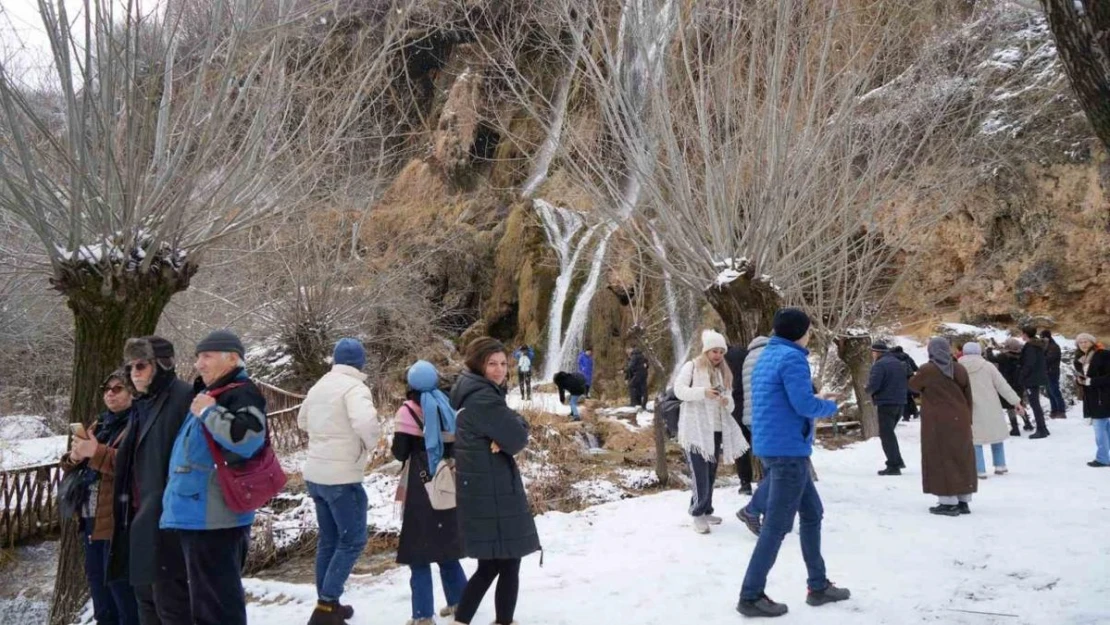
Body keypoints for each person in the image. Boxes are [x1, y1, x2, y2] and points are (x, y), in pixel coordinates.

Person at [738, 309, 847, 618]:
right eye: (809, 330)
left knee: (812, 513)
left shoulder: (767, 356)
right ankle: (750, 595)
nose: (809, 335)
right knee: (776, 526)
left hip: (775, 446)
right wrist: (829, 404)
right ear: (800, 332)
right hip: (788, 451)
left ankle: (818, 585)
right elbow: (802, 404)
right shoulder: (792, 358)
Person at [159, 330, 268, 625]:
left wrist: (209, 413)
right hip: (198, 514)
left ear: (232, 358)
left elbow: (249, 439)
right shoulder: (213, 394)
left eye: (207, 356)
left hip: (216, 517)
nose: (199, 364)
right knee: (206, 605)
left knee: (217, 608)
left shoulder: (240, 391)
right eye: (197, 357)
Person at [450, 337, 541, 625]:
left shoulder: (473, 391)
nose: (500, 370)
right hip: (492, 489)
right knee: (508, 560)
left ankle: (462, 619)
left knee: (490, 564)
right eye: (492, 364)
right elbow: (516, 438)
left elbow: (513, 427)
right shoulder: (484, 398)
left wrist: (511, 428)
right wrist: (512, 432)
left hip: (482, 488)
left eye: (503, 363)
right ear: (478, 364)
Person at [109, 336, 192, 625]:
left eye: (141, 365)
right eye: (130, 366)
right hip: (138, 516)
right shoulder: (143, 403)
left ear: (161, 364)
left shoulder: (184, 397)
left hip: (168, 519)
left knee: (172, 607)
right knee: (146, 604)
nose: (134, 372)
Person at [297, 338, 379, 624]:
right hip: (342, 477)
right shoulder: (355, 388)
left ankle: (329, 604)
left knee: (329, 540)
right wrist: (370, 443)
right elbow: (366, 424)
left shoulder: (319, 385)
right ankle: (326, 605)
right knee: (353, 540)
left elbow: (301, 421)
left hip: (316, 475)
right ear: (360, 362)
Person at [62, 369, 140, 625]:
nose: (110, 393)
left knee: (122, 593)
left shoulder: (139, 422)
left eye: (118, 388)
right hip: (90, 518)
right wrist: (74, 457)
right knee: (100, 593)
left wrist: (95, 452)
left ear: (132, 392)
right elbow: (79, 463)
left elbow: (134, 466)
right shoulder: (102, 423)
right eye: (107, 389)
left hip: (119, 520)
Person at [393, 361, 467, 625]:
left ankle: (423, 616)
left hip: (420, 485)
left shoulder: (408, 411)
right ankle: (461, 603)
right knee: (447, 546)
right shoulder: (447, 404)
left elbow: (400, 452)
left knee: (419, 552)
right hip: (447, 483)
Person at [675, 330, 748, 534]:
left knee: (710, 473)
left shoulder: (723, 372)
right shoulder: (692, 366)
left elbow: (731, 404)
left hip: (715, 429)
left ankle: (706, 509)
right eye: (714, 351)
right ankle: (697, 513)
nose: (717, 355)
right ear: (706, 350)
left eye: (721, 351)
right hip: (695, 428)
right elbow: (678, 390)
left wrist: (726, 401)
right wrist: (703, 393)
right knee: (699, 473)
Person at [909, 338, 976, 517]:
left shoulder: (928, 370)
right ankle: (963, 500)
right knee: (961, 457)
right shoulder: (960, 368)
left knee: (940, 457)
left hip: (938, 421)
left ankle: (948, 502)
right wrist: (968, 417)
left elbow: (913, 386)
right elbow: (968, 394)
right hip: (960, 418)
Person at [958, 343, 1024, 479]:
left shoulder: (957, 367)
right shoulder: (988, 366)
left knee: (974, 438)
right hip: (990, 404)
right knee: (996, 434)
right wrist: (1016, 401)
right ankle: (1000, 465)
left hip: (968, 406)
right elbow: (1002, 385)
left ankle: (980, 469)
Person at [867, 342, 909, 476]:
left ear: (876, 352)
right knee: (890, 433)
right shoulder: (898, 362)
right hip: (901, 401)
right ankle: (897, 460)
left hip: (886, 402)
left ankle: (894, 464)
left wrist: (867, 389)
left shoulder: (880, 365)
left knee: (886, 435)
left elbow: (874, 384)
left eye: (873, 352)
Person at [1074, 333, 1110, 467]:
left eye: (1086, 341)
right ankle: (1105, 456)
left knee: (1100, 428)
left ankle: (1102, 458)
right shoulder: (1080, 358)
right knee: (1105, 427)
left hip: (1103, 396)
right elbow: (1083, 378)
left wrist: (1091, 381)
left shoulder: (1103, 355)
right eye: (1080, 342)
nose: (1083, 344)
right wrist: (1080, 381)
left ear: (1092, 342)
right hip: (1092, 397)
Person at [987, 338, 1034, 435]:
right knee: (1018, 404)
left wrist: (989, 348)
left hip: (1007, 384)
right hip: (1019, 384)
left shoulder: (1003, 357)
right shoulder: (1021, 356)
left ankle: (1015, 428)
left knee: (1009, 407)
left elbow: (991, 358)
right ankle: (1027, 423)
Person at [724, 343, 753, 495]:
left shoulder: (720, 359)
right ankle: (768, 478)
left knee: (740, 446)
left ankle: (745, 483)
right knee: (758, 442)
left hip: (734, 405)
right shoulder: (744, 352)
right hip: (751, 401)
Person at [1018, 326, 1051, 439]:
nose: (1021, 336)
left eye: (1022, 334)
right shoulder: (1036, 345)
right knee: (1036, 404)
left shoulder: (1030, 346)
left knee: (1035, 404)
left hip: (1031, 379)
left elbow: (1029, 363)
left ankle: (1041, 429)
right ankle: (1043, 428)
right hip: (1036, 377)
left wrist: (1022, 376)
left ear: (1025, 334)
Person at [1041, 330, 1067, 419]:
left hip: (1052, 372)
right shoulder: (1046, 346)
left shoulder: (1054, 347)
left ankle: (1061, 410)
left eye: (1043, 337)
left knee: (1055, 391)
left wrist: (1039, 357)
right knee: (1050, 392)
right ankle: (1054, 410)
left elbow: (1048, 359)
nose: (1042, 339)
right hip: (1046, 372)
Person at [890, 346, 919, 421]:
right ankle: (915, 412)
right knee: (908, 396)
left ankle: (906, 416)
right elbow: (915, 368)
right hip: (909, 379)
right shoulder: (907, 357)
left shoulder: (891, 358)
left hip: (898, 380)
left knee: (903, 398)